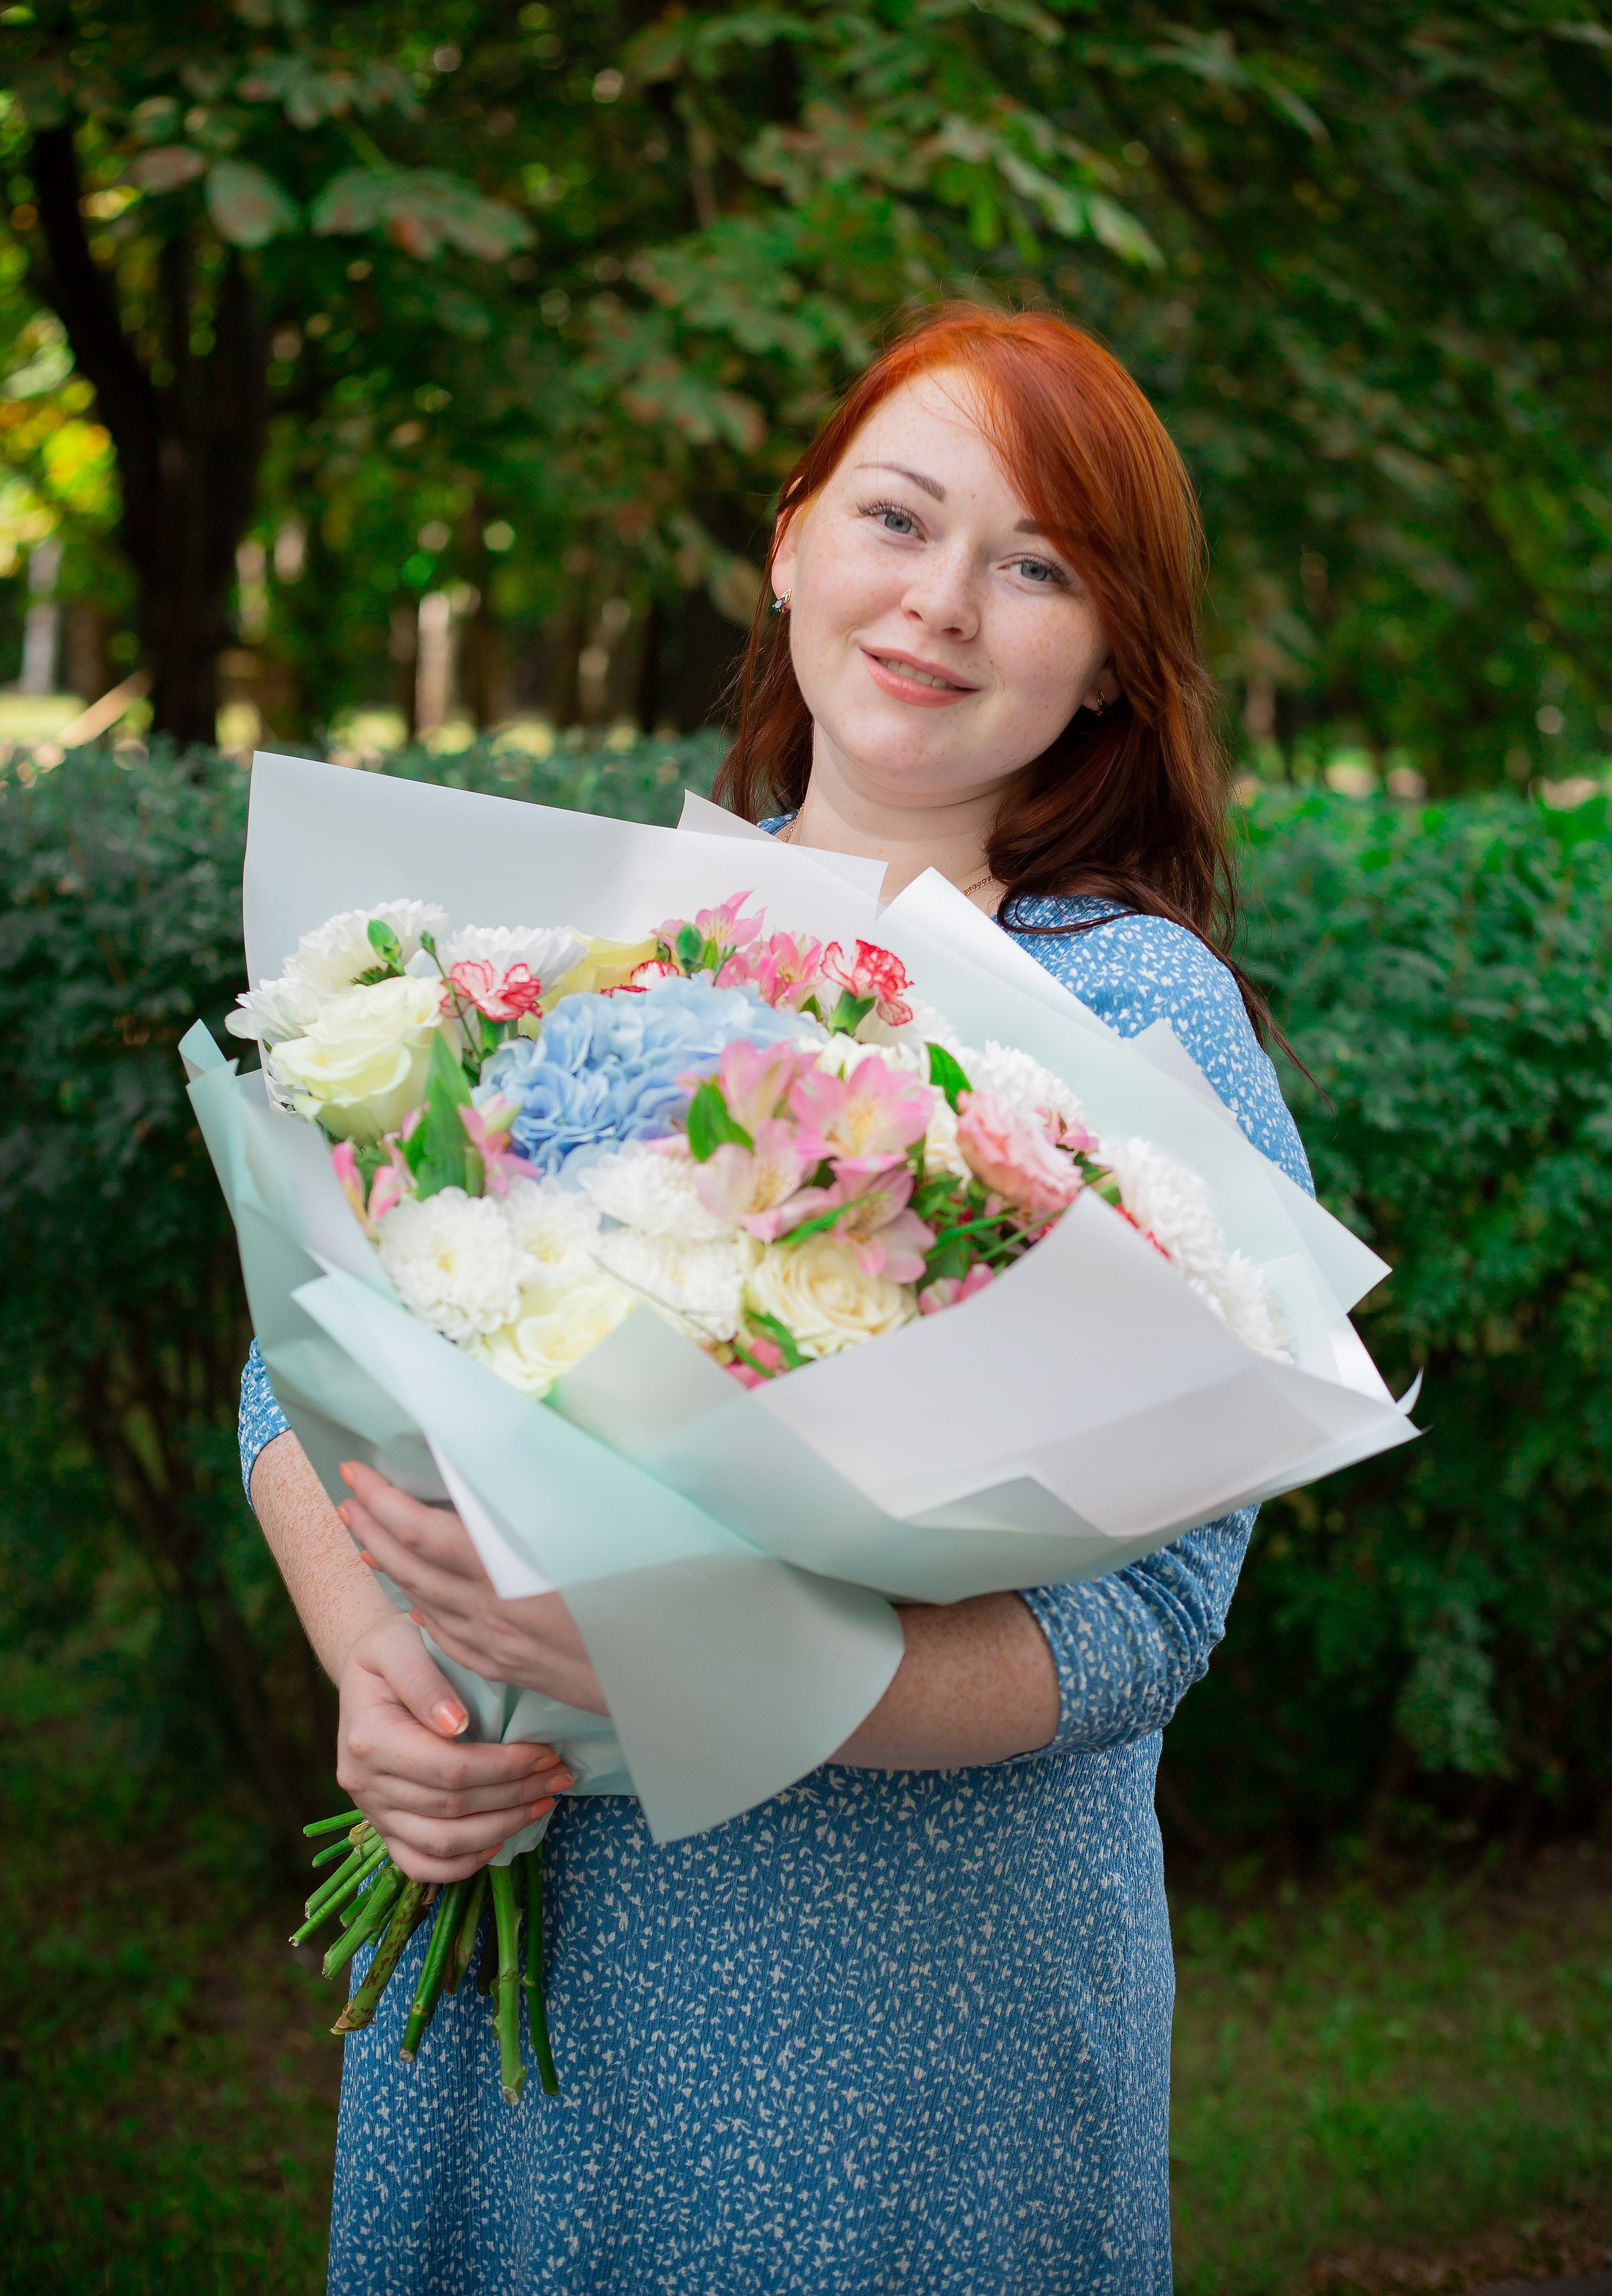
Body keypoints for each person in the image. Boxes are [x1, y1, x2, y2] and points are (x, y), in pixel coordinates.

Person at [238, 301, 1312, 2294]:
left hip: (926, 2014)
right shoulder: (557, 936)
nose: (945, 605)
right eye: (899, 521)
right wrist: (382, 1678)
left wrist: (712, 1656)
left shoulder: (1133, 1020)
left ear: (1104, 668)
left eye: (1039, 567)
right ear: (792, 540)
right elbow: (301, 1365)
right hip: (538, 1909)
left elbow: (1155, 1609)